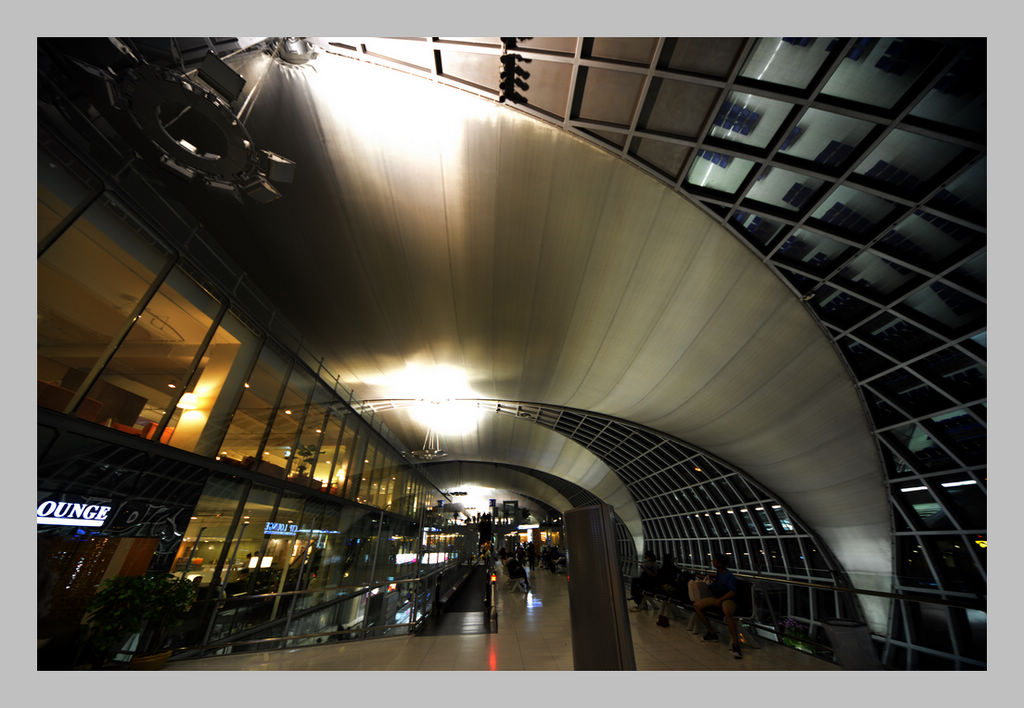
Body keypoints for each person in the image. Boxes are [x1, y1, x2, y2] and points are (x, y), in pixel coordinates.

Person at [692, 552, 742, 659]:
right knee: (697, 606)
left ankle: (735, 643)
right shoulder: (719, 573)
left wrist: (720, 600)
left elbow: (732, 592)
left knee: (727, 612)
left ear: (719, 563)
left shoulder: (729, 576)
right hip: (718, 597)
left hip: (727, 599)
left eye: (714, 560)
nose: (713, 562)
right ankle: (711, 632)